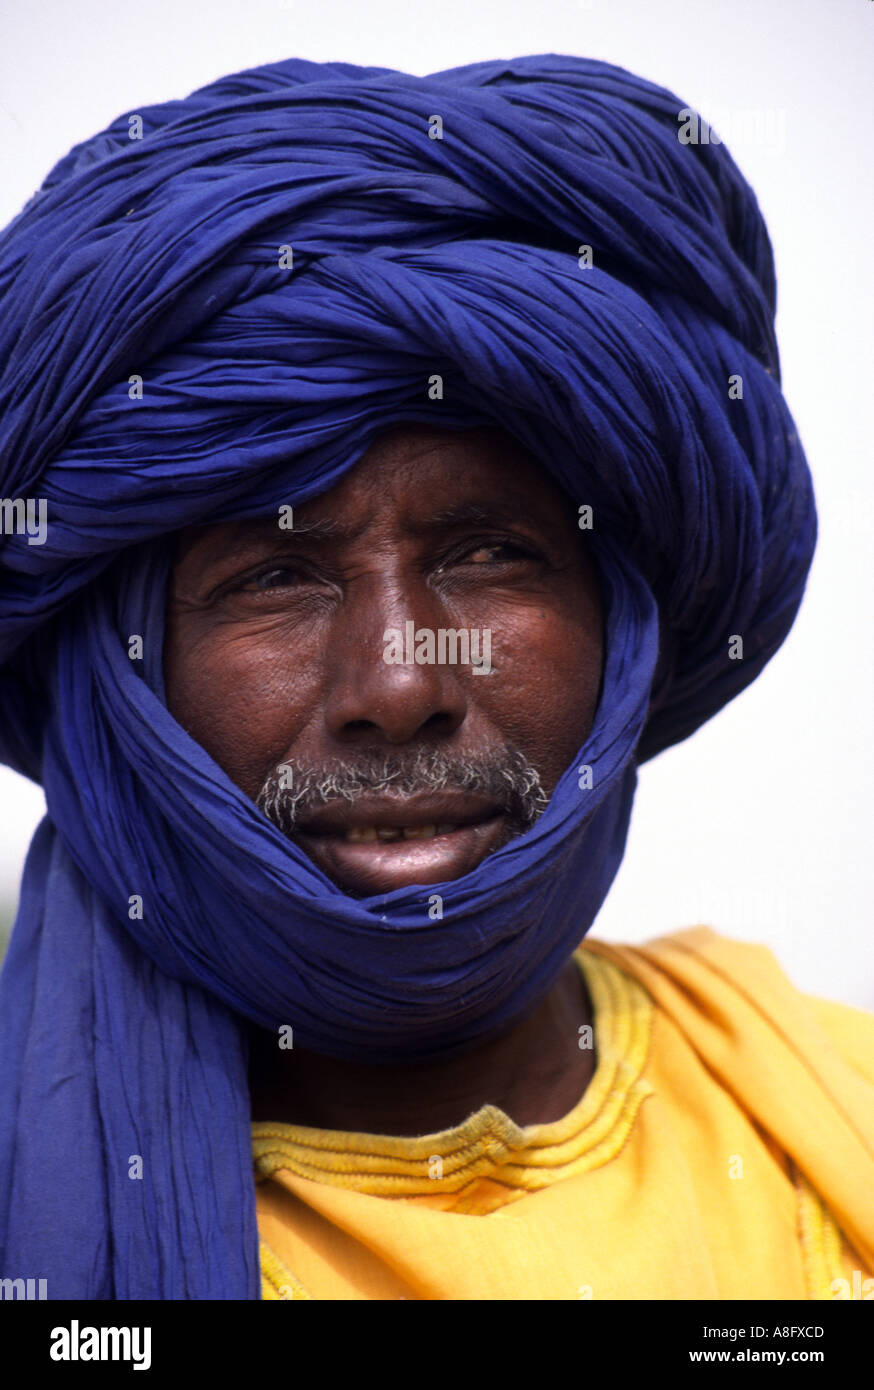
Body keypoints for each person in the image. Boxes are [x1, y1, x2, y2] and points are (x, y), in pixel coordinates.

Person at [0, 53, 871, 1302]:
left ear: (622, 631)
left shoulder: (832, 1124)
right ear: (121, 679)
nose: (400, 683)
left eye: (491, 553)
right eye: (275, 578)